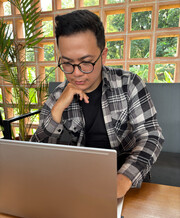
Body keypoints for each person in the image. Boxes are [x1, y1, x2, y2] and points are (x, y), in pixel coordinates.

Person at [31, 10, 164, 198]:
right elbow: (36, 153)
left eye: (86, 62)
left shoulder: (129, 84)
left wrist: (123, 179)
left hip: (127, 183)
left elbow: (151, 136)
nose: (76, 73)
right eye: (67, 63)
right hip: (79, 185)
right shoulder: (59, 95)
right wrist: (57, 109)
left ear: (103, 55)